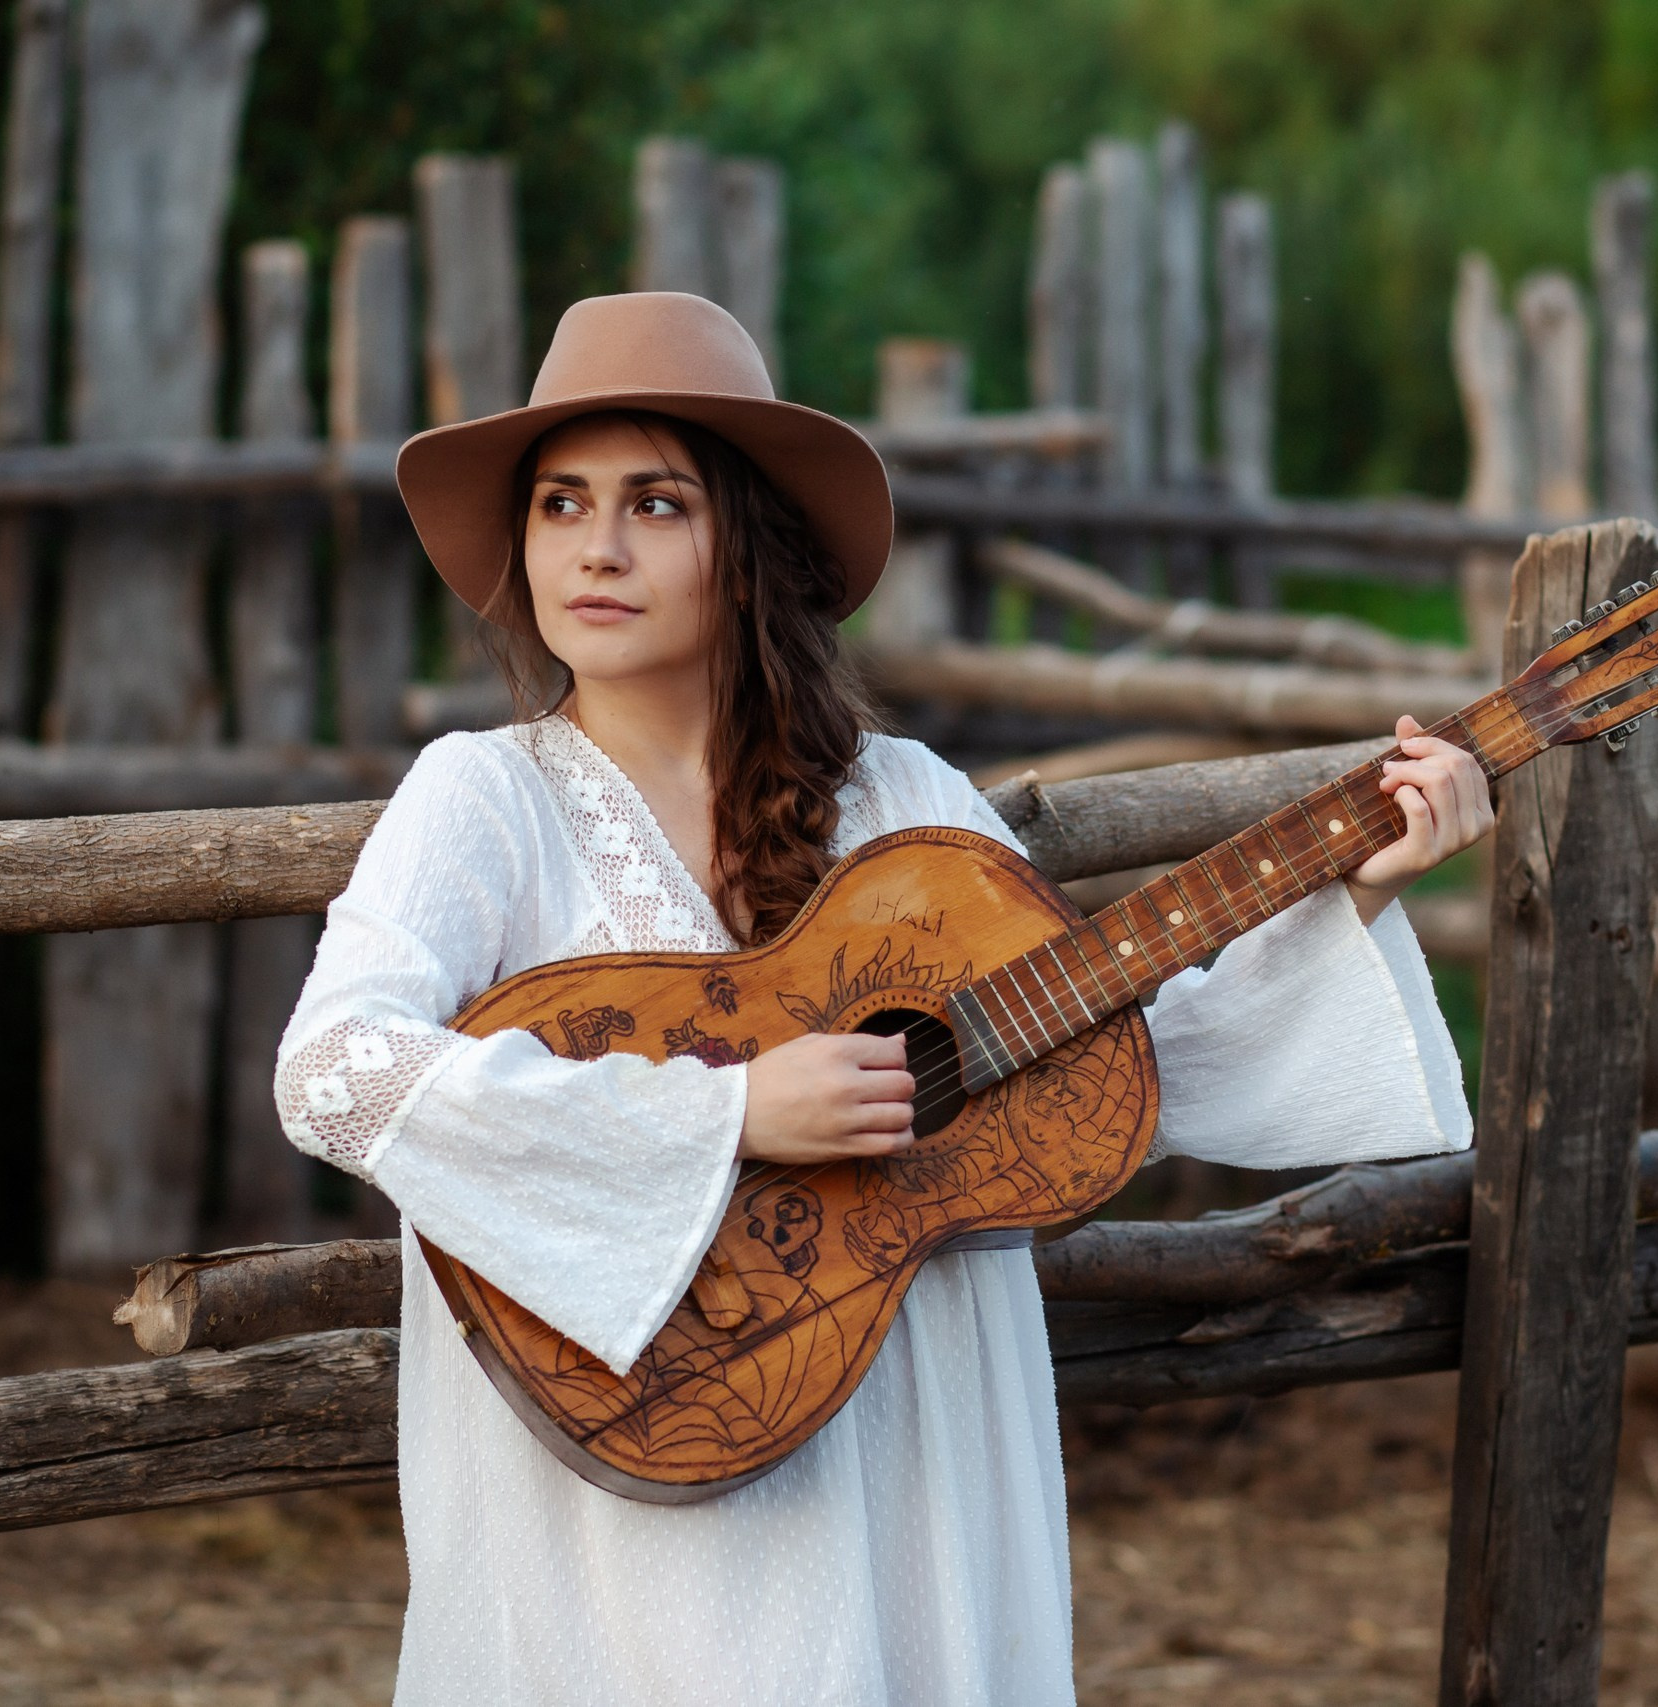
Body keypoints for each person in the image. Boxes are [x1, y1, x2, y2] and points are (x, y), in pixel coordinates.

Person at [275, 292, 1493, 1706]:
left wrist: (1353, 887)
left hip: (915, 1423)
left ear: (750, 548)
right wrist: (729, 1111)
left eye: (656, 505)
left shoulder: (908, 803)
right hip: (649, 1421)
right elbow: (336, 1072)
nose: (594, 549)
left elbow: (1097, 1071)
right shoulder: (485, 800)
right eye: (560, 505)